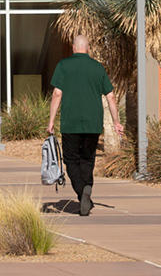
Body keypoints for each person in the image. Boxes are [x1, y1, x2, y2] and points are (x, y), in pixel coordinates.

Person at [45, 34, 118, 216]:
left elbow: (57, 94)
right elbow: (111, 96)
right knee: (88, 159)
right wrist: (116, 121)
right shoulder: (97, 67)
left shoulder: (63, 66)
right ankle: (87, 187)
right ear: (88, 48)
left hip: (71, 123)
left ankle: (81, 190)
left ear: (73, 47)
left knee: (71, 160)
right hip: (93, 124)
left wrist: (51, 121)